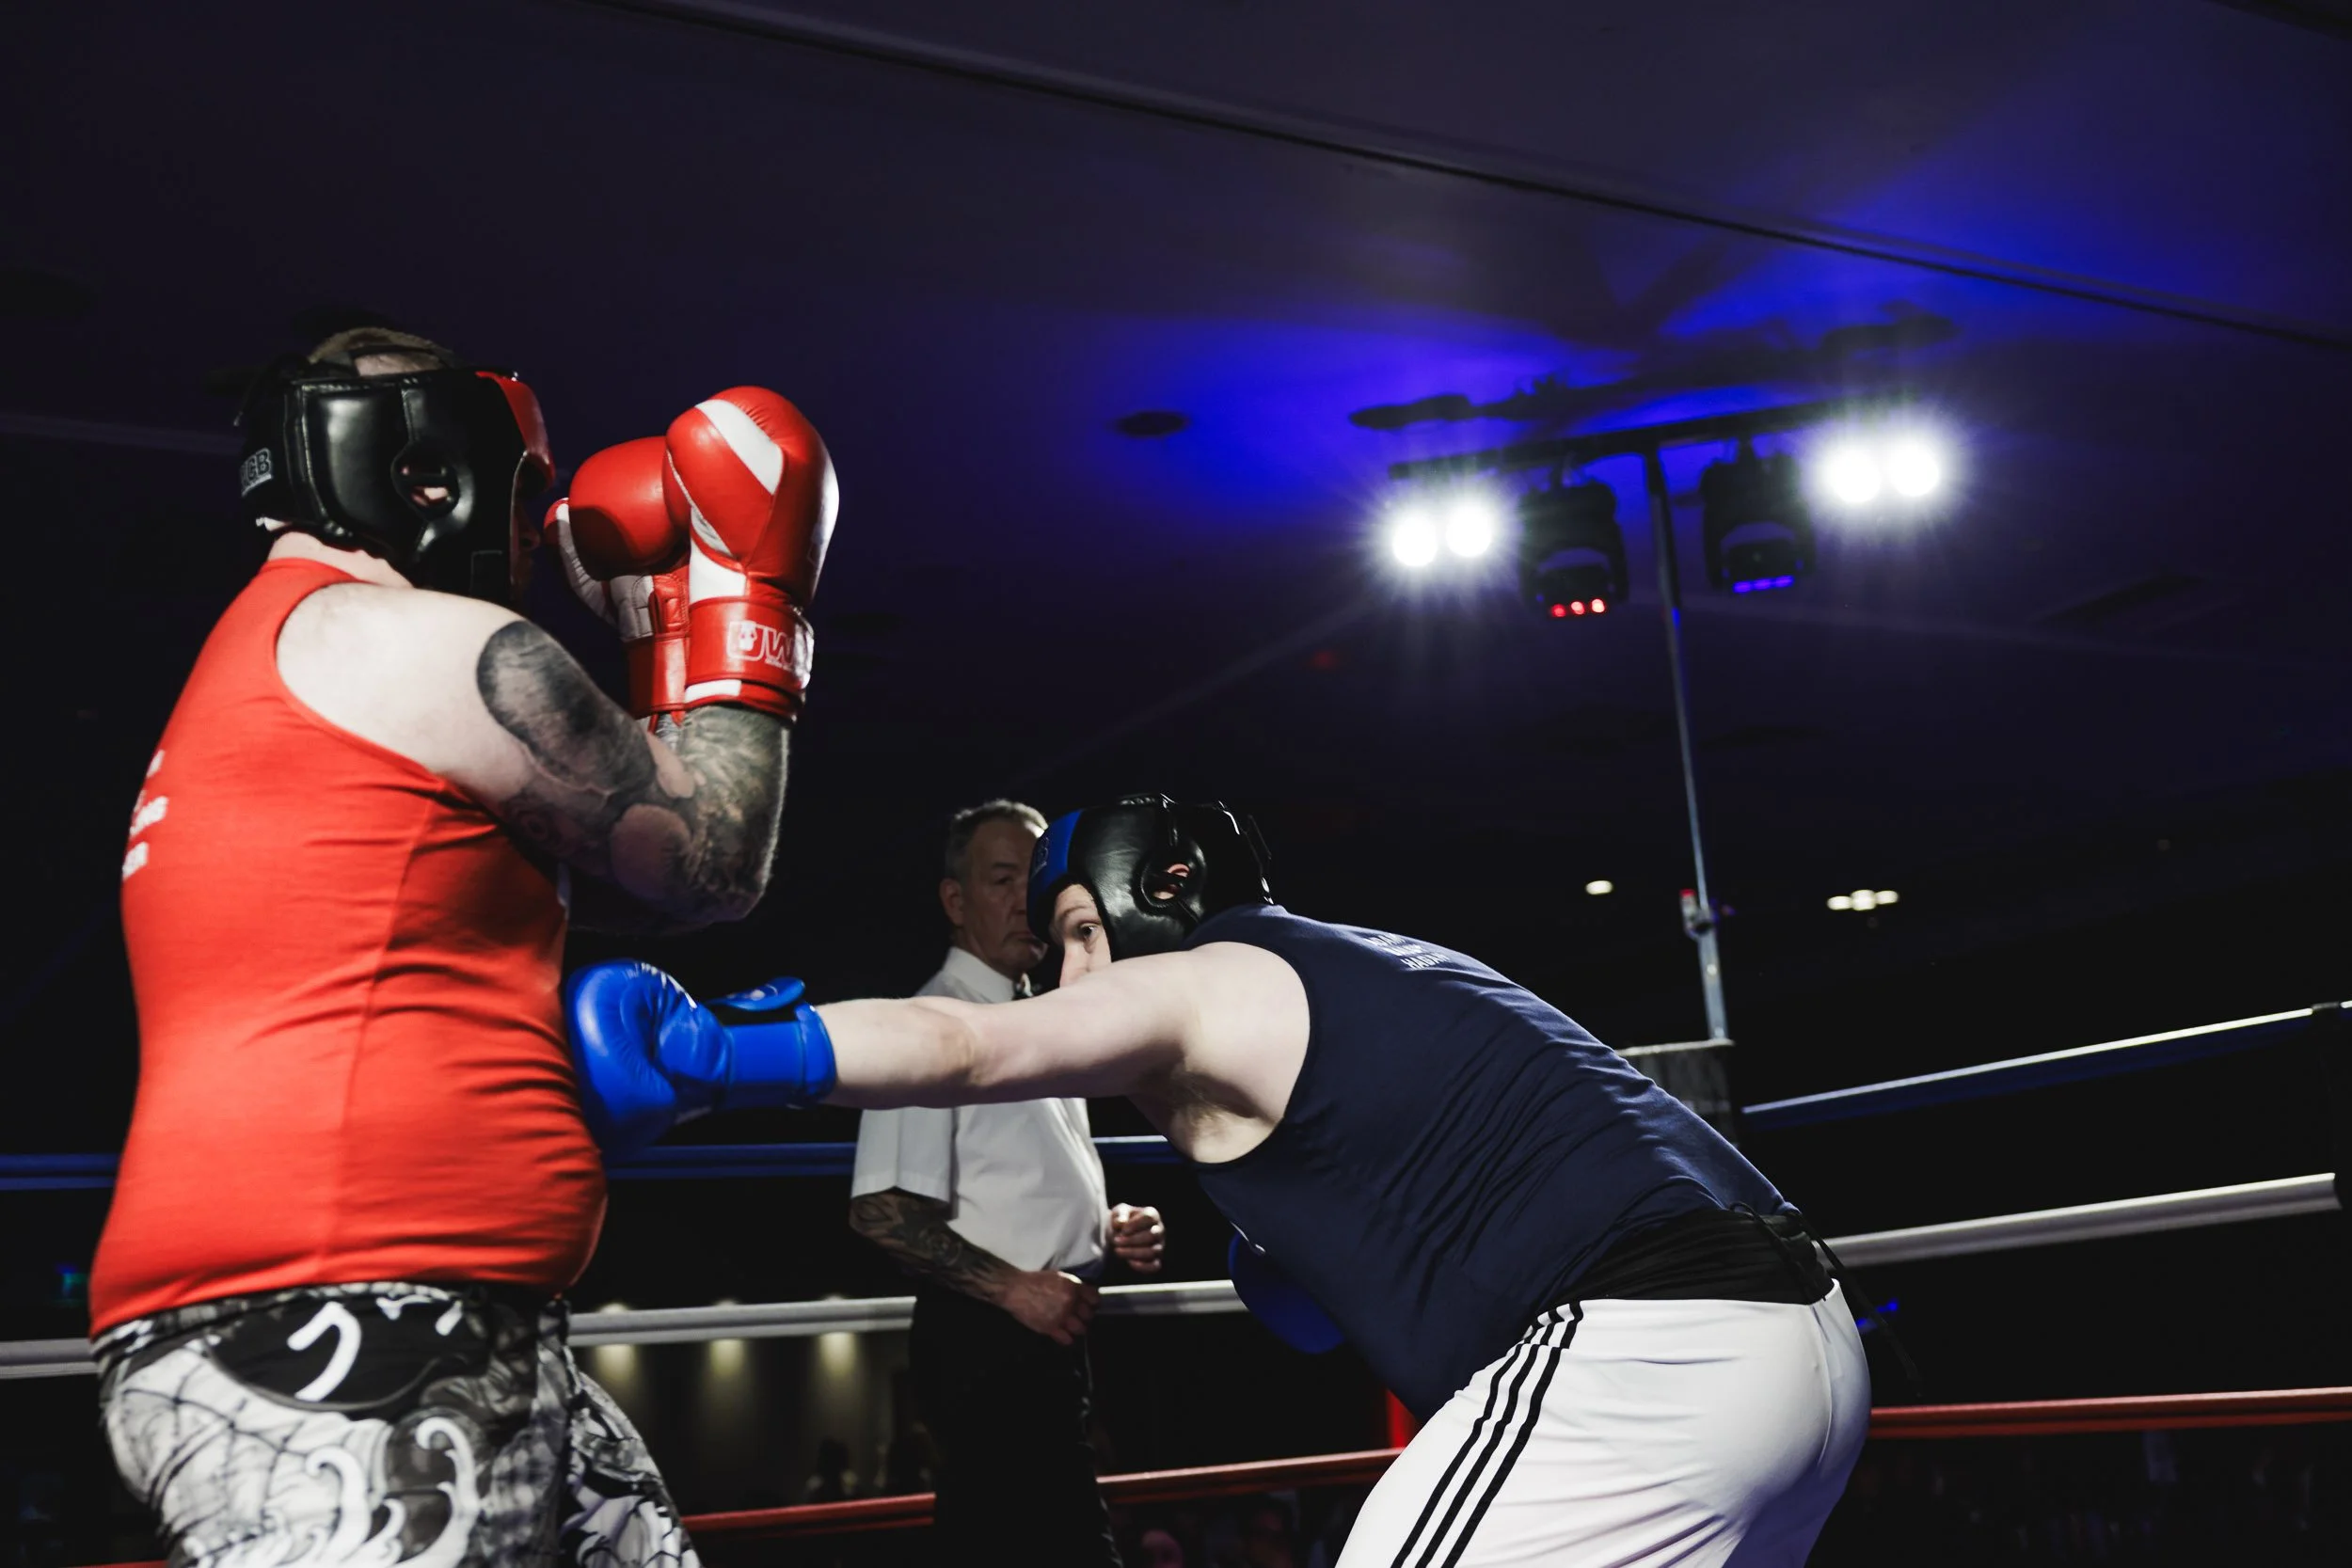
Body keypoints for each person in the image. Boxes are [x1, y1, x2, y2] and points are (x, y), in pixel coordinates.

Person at [568, 795, 1869, 1566]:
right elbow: (1336, 1290)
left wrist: (721, 1053)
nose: (1073, 979)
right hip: (1805, 1349)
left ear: (1155, 901)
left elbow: (973, 1045)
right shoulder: (1369, 963)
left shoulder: (1195, 975)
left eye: (1080, 932)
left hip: (1650, 1359)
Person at [93, 325, 837, 1568]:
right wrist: (743, 604)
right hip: (342, 1325)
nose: (538, 528)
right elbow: (712, 862)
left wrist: (660, 650)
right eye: (526, 487)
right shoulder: (411, 642)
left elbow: (620, 881)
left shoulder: (291, 667)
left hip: (402, 1311)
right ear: (433, 477)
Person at [848, 800, 1165, 1566]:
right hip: (989, 1339)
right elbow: (881, 1209)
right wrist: (1015, 1288)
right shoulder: (931, 1019)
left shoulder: (1039, 1017)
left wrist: (1106, 1223)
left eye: (1036, 880)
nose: (1026, 900)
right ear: (955, 901)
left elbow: (1021, 1176)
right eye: (1001, 879)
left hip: (1048, 1333)